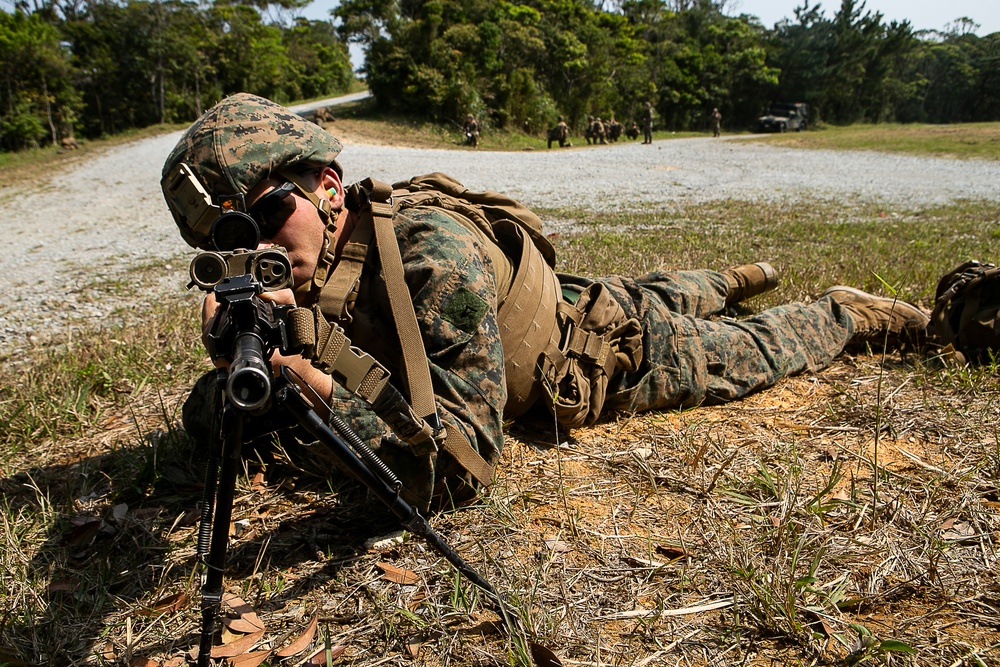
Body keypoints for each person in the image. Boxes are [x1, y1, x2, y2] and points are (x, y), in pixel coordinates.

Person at [161, 93, 929, 510]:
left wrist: (323, 393)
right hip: (550, 300)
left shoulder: (428, 256)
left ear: (329, 186)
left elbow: (462, 465)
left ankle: (844, 309)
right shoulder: (290, 273)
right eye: (224, 242)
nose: (252, 248)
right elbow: (211, 422)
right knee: (661, 286)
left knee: (740, 345)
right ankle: (732, 275)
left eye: (266, 216)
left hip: (593, 350)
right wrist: (237, 361)